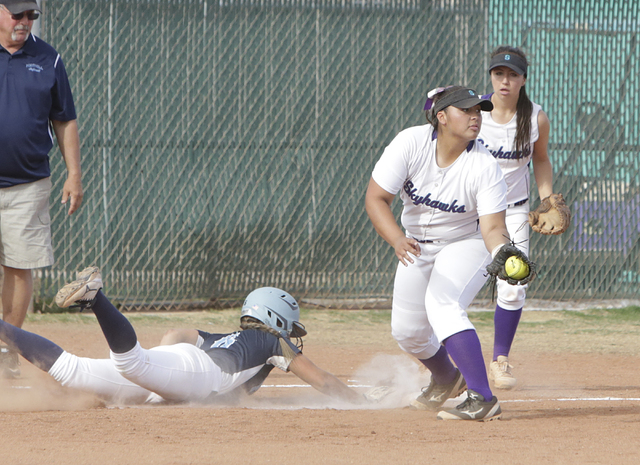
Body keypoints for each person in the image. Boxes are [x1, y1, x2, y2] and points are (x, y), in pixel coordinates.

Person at [365, 85, 519, 421]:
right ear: (442, 117)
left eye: (479, 111)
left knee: (442, 304)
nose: (475, 116)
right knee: (408, 331)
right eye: (466, 110)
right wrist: (396, 239)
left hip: (466, 243)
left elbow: (492, 227)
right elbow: (376, 198)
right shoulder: (411, 143)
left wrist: (503, 251)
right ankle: (447, 377)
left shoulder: (483, 165)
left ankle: (482, 397)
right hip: (416, 243)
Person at [0, 267, 366, 406]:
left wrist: (163, 367)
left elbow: (179, 333)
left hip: (181, 370)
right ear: (274, 320)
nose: (290, 335)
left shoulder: (225, 336)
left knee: (72, 371)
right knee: (132, 362)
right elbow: (323, 380)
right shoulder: (272, 341)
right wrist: (361, 402)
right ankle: (96, 297)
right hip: (196, 374)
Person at [0, 0, 83, 378]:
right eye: (17, 14)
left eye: (31, 15)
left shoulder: (48, 58)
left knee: (19, 266)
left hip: (28, 182)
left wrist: (74, 174)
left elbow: (65, 120)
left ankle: (7, 349)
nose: (25, 21)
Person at [477, 46, 557, 390]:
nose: (504, 81)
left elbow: (540, 159)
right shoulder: (473, 111)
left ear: (523, 79)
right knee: (451, 287)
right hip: (471, 212)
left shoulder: (535, 117)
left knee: (513, 286)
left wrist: (548, 199)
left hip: (514, 212)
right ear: (491, 77)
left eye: (512, 74)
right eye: (498, 74)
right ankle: (440, 363)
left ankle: (500, 361)